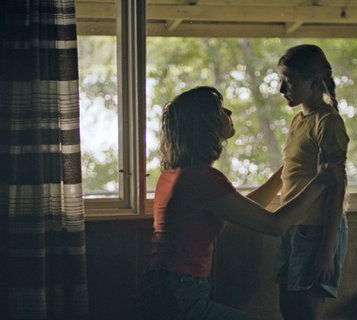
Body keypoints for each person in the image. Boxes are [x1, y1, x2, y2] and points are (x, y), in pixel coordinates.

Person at [135, 86, 343, 320]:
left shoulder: (179, 174)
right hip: (179, 294)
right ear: (205, 124)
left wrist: (289, 168)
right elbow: (275, 225)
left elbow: (247, 208)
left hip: (166, 288)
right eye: (220, 110)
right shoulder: (202, 179)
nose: (229, 111)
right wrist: (320, 182)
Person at [273, 44, 350, 320]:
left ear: (314, 82)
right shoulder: (298, 120)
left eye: (289, 81)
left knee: (308, 311)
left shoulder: (328, 122)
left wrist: (326, 251)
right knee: (288, 309)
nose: (282, 89)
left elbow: (336, 187)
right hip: (292, 226)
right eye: (281, 81)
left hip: (316, 231)